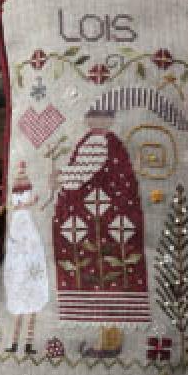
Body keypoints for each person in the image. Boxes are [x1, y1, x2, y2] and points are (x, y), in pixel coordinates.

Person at [51, 109, 150, 326]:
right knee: (117, 260)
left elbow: (82, 172)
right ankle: (122, 316)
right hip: (114, 212)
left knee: (95, 260)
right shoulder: (111, 141)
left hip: (98, 212)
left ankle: (94, 315)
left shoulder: (97, 141)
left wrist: (61, 178)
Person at [3, 161, 49, 354]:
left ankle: (26, 343)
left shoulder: (23, 216)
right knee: (22, 305)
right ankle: (15, 343)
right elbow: (20, 205)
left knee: (29, 306)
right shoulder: (20, 215)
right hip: (21, 261)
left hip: (29, 262)